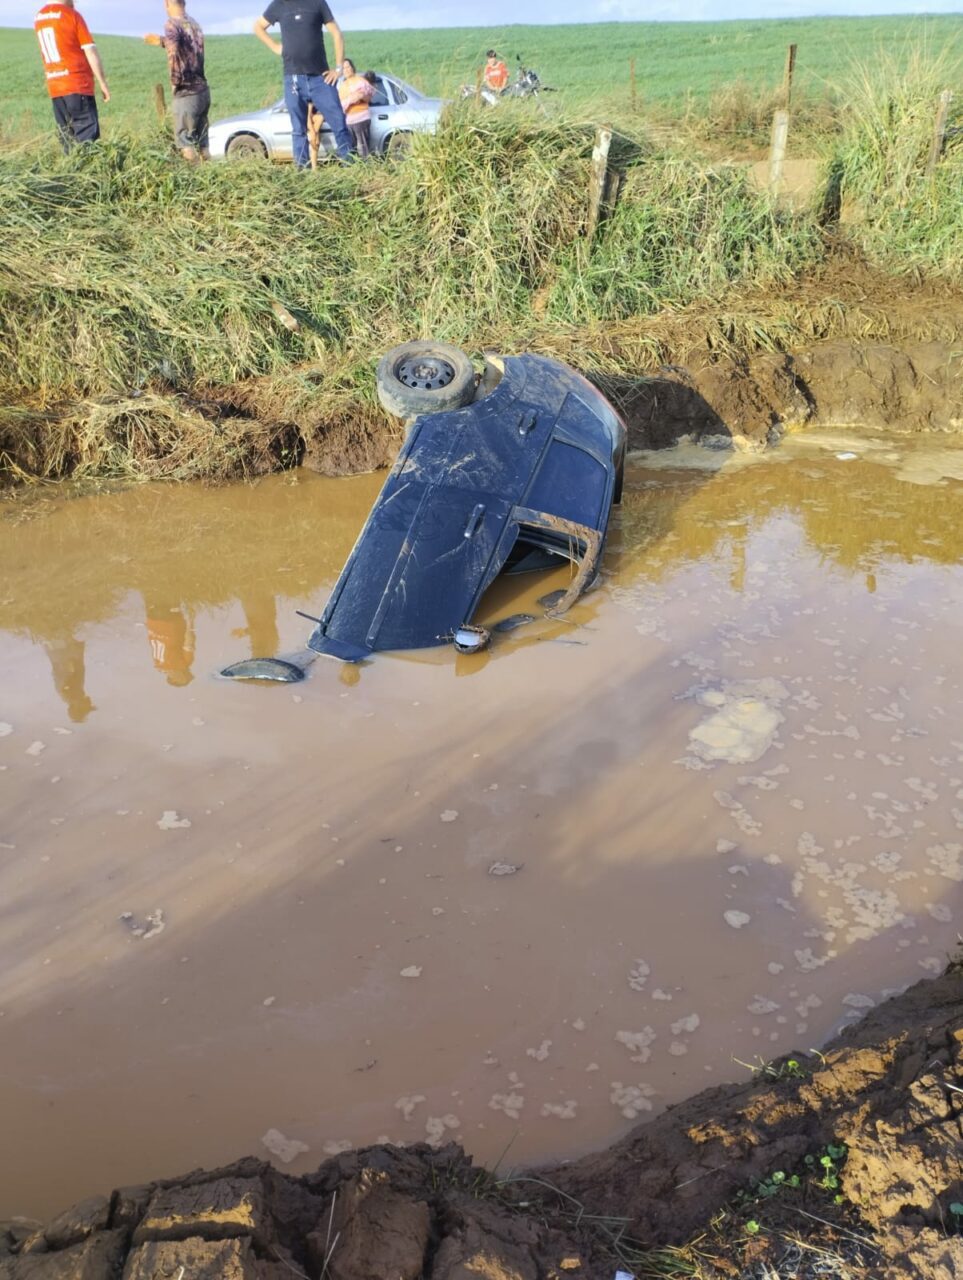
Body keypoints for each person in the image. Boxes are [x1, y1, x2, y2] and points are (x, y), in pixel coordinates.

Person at [253, 0, 352, 168]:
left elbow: (336, 34)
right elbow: (258, 27)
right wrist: (276, 47)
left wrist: (338, 68)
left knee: (339, 123)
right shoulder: (279, 4)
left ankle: (351, 167)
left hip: (321, 78)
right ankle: (302, 173)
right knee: (298, 130)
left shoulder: (318, 3)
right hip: (293, 78)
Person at [33, 0, 110, 150]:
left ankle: (71, 172)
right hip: (77, 84)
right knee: (88, 142)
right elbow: (90, 51)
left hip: (55, 87)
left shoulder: (39, 17)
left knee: (68, 141)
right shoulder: (72, 16)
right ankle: (90, 172)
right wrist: (103, 83)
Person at [144, 1, 210, 162]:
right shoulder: (194, 24)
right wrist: (162, 41)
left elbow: (173, 55)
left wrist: (175, 82)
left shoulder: (171, 24)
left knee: (185, 142)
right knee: (203, 143)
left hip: (186, 91)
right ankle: (212, 178)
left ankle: (195, 184)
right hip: (202, 90)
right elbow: (188, 47)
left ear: (167, 3)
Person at [338, 59, 374, 158]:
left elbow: (369, 98)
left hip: (361, 118)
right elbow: (341, 105)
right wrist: (350, 100)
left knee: (363, 148)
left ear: (352, 68)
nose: (346, 70)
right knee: (352, 148)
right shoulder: (342, 86)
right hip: (349, 121)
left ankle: (367, 167)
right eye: (344, 68)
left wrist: (361, 96)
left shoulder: (361, 81)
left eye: (348, 67)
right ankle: (357, 168)